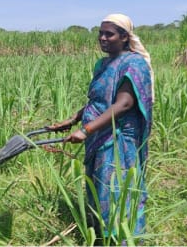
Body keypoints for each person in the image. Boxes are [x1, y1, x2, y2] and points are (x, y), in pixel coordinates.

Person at [48, 13, 154, 243]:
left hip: (117, 139)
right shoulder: (103, 63)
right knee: (99, 188)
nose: (103, 38)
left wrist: (86, 130)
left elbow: (124, 104)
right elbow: (98, 100)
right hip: (99, 133)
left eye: (110, 34)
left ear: (125, 37)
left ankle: (123, 239)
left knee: (116, 189)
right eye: (100, 33)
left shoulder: (134, 64)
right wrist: (74, 119)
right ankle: (102, 235)